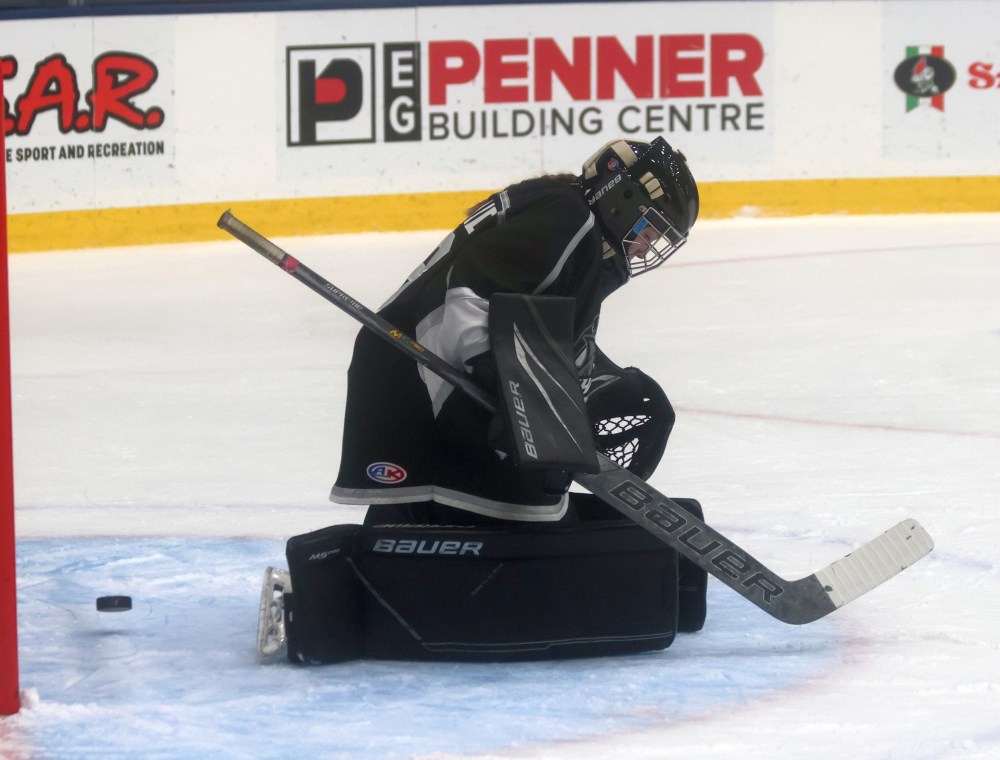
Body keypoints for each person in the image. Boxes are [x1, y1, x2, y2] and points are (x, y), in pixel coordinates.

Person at [259, 136, 707, 664]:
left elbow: (545, 332)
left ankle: (365, 568)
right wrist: (507, 389)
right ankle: (323, 593)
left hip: (440, 373)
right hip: (423, 381)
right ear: (622, 199)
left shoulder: (576, 227)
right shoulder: (569, 220)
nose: (643, 247)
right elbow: (466, 298)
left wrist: (596, 387)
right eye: (647, 229)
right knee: (530, 538)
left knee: (532, 519)